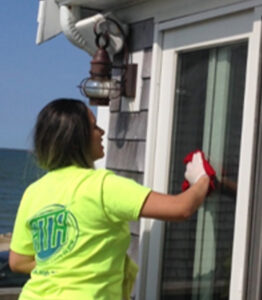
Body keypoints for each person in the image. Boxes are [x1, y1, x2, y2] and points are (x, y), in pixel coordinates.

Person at [9, 98, 212, 300]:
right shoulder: (103, 186)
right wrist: (202, 179)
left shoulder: (33, 192)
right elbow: (181, 208)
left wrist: (65, 266)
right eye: (94, 126)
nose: (102, 132)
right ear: (77, 137)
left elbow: (18, 261)